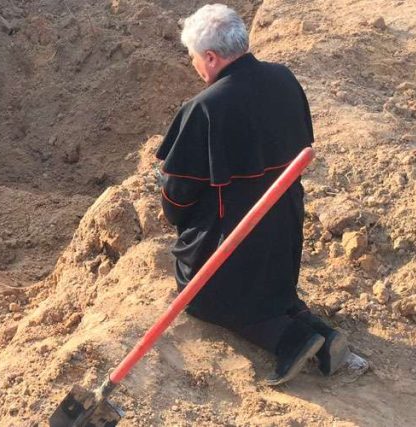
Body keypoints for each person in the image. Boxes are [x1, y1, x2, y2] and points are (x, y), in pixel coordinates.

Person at [156, 4, 353, 385]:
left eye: (195, 58)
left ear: (211, 57)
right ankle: (322, 335)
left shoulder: (204, 107)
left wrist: (177, 216)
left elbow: (178, 200)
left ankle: (291, 340)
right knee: (274, 293)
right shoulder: (284, 78)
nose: (196, 67)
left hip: (234, 240)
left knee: (198, 293)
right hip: (286, 231)